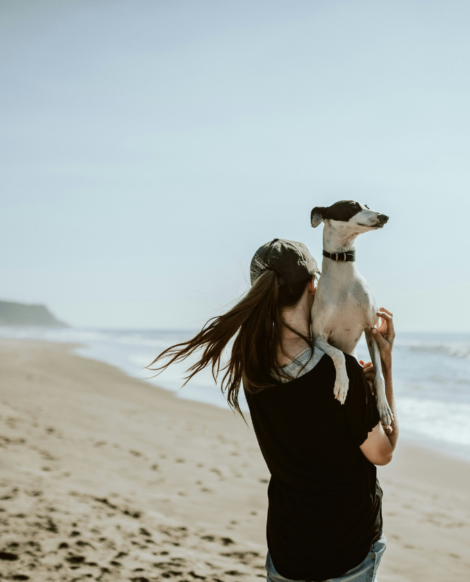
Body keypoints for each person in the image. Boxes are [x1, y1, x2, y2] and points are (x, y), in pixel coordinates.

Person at [150, 238, 398, 582]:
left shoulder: (252, 366)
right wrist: (384, 366)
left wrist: (360, 390)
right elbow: (383, 452)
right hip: (347, 548)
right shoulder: (338, 372)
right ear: (314, 286)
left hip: (288, 550)